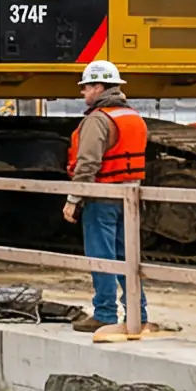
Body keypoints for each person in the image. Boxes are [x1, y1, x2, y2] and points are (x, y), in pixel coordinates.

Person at [61, 60, 148, 338]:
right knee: (128, 258)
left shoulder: (98, 120)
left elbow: (87, 164)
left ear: (99, 87)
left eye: (86, 87)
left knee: (102, 257)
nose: (83, 93)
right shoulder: (133, 116)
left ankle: (105, 314)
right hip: (130, 197)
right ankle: (138, 314)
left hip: (103, 196)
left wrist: (73, 199)